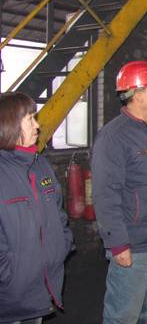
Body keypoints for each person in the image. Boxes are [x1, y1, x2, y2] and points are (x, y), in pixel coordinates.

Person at [92, 61, 147, 324]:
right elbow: (106, 195)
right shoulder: (114, 137)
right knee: (123, 315)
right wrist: (117, 243)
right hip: (133, 241)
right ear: (138, 95)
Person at [0, 92, 73, 324]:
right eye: (30, 119)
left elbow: (59, 214)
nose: (37, 125)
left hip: (40, 289)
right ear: (9, 124)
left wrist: (62, 245)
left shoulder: (40, 165)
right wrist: (10, 275)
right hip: (9, 296)